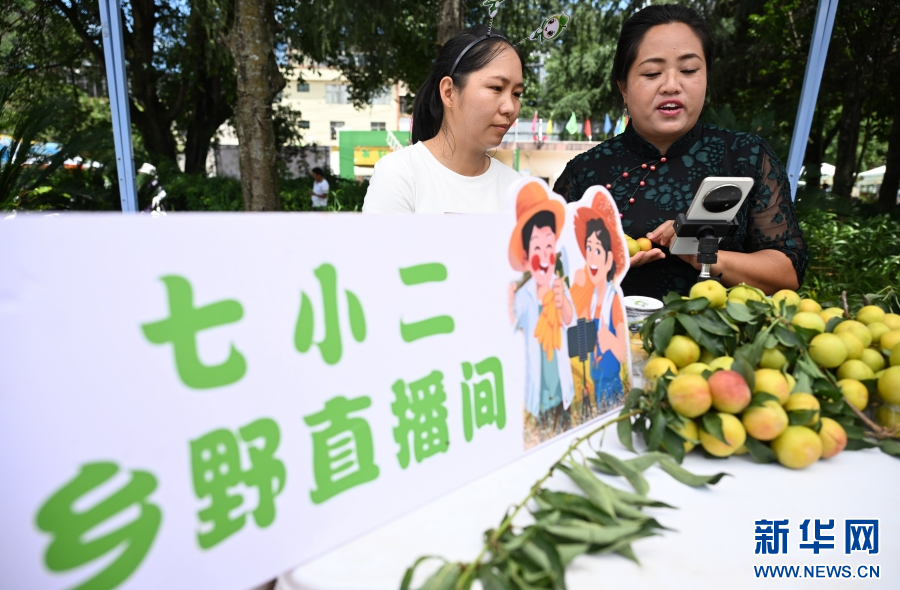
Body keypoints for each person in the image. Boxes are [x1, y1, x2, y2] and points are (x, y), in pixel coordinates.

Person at [553, 5, 807, 300]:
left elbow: (789, 271)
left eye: (688, 70)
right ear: (623, 88)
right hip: (607, 329)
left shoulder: (746, 156)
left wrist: (706, 255)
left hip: (716, 330)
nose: (671, 86)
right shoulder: (584, 171)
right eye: (652, 73)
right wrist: (602, 265)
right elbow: (541, 269)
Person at [363, 25, 523, 213]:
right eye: (496, 88)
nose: (510, 107)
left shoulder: (519, 191)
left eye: (517, 94)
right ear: (448, 92)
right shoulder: (400, 175)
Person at [508, 181, 575, 435]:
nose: (545, 255)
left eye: (549, 246)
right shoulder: (524, 297)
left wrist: (563, 302)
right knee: (541, 435)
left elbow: (571, 321)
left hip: (562, 389)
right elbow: (511, 330)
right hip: (536, 392)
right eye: (537, 248)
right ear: (526, 256)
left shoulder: (560, 287)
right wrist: (507, 303)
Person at [569, 194, 628, 411]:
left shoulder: (613, 300)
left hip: (613, 388)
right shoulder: (591, 298)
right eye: (588, 248)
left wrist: (611, 341)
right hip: (593, 385)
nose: (591, 257)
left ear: (609, 259)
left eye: (597, 250)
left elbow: (623, 353)